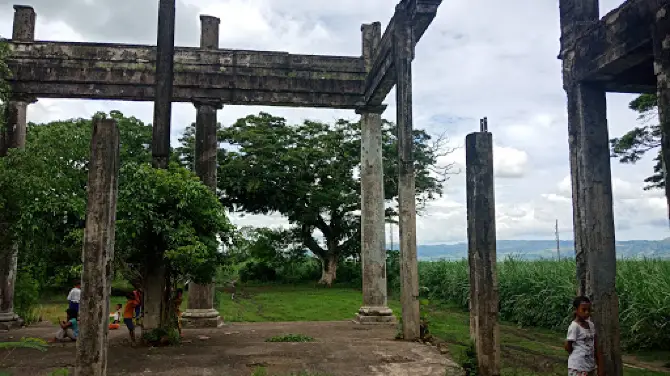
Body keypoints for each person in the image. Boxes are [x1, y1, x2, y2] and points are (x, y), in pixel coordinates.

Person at [564, 296, 603, 376]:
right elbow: (568, 347)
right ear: (576, 310)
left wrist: (600, 367)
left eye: (589, 310)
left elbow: (596, 345)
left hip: (590, 367)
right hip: (578, 367)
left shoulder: (591, 325)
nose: (587, 312)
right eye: (584, 310)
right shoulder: (574, 326)